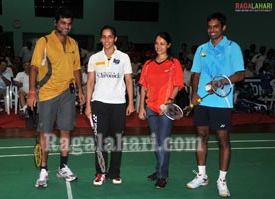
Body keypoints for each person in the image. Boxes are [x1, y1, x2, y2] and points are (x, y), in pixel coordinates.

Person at [185, 12, 245, 198]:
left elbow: (240, 74)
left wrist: (222, 82)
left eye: (216, 27)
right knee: (201, 136)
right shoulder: (202, 49)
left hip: (222, 101)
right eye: (209, 27)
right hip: (203, 101)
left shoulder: (232, 47)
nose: (212, 30)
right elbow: (195, 74)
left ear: (223, 28)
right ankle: (202, 176)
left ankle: (222, 180)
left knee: (222, 140)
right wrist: (194, 94)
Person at [27, 7, 85, 189]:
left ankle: (63, 167)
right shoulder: (44, 42)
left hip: (68, 93)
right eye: (63, 23)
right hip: (47, 93)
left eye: (69, 24)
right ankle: (44, 170)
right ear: (55, 23)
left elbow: (77, 68)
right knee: (45, 132)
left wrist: (81, 91)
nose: (66, 26)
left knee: (65, 130)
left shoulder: (74, 44)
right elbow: (34, 67)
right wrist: (31, 92)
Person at [85, 25, 135, 186]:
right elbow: (91, 82)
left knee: (116, 141)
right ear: (100, 39)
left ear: (115, 39)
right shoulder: (94, 58)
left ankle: (114, 173)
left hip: (119, 104)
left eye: (110, 36)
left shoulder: (124, 57)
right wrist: (88, 104)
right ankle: (100, 173)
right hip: (99, 103)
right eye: (104, 37)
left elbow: (128, 81)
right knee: (99, 141)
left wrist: (131, 102)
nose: (107, 40)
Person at [138, 32, 184, 189]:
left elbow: (178, 84)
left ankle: (163, 176)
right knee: (156, 142)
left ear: (169, 45)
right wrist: (141, 108)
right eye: (157, 43)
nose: (159, 46)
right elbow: (143, 86)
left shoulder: (174, 63)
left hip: (166, 109)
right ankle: (159, 171)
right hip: (150, 107)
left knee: (163, 142)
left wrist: (170, 100)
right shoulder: (148, 64)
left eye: (162, 43)